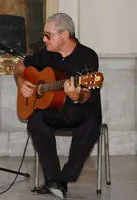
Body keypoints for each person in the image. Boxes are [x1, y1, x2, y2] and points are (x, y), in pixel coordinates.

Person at [14, 13, 101, 199]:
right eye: (43, 35)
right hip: (56, 110)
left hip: (82, 111)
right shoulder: (46, 53)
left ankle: (61, 179)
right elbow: (20, 65)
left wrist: (77, 95)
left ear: (64, 35)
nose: (44, 39)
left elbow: (88, 93)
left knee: (91, 122)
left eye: (48, 35)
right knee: (36, 120)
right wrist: (21, 82)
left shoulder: (87, 56)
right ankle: (54, 179)